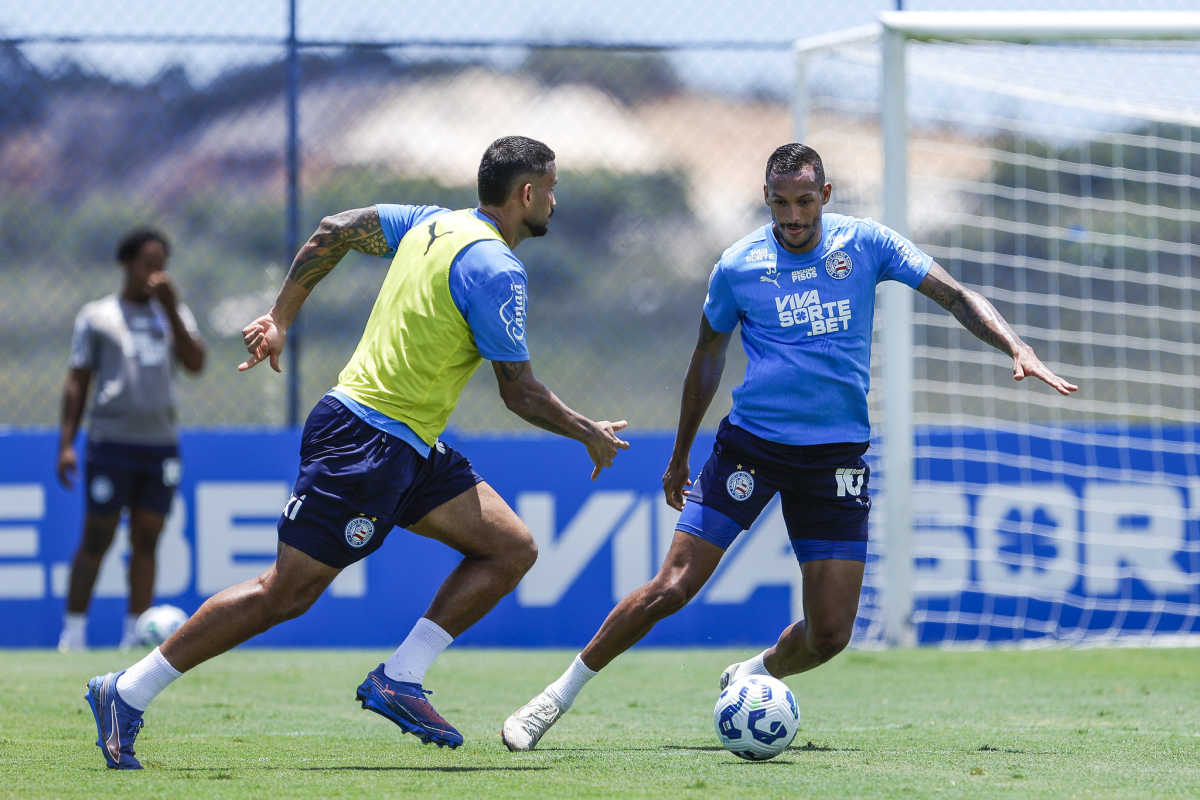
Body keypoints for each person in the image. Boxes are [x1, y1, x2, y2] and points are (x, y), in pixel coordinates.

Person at [500, 142, 1078, 751]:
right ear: (766, 199)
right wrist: (679, 455)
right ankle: (552, 699)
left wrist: (1017, 347)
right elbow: (707, 357)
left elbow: (956, 295)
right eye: (781, 203)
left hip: (836, 461)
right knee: (671, 587)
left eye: (805, 202)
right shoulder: (738, 265)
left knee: (830, 635)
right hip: (751, 449)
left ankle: (752, 677)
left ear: (825, 196)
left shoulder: (868, 244)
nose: (794, 217)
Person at [83, 136, 629, 769]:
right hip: (365, 441)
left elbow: (333, 230)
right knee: (283, 594)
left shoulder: (433, 223)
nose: (555, 202)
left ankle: (400, 678)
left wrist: (280, 315)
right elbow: (520, 392)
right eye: (552, 189)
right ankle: (126, 690)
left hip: (408, 443)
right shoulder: (497, 269)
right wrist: (586, 430)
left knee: (510, 547)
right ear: (527, 193)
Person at [57, 228, 206, 653]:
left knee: (147, 539)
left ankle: (133, 637)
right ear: (127, 265)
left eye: (162, 266)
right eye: (148, 265)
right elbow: (77, 381)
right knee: (97, 537)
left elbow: (195, 363)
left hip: (159, 444)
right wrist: (67, 443)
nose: (155, 275)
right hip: (111, 443)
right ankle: (73, 634)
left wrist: (172, 308)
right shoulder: (98, 315)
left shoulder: (173, 313)